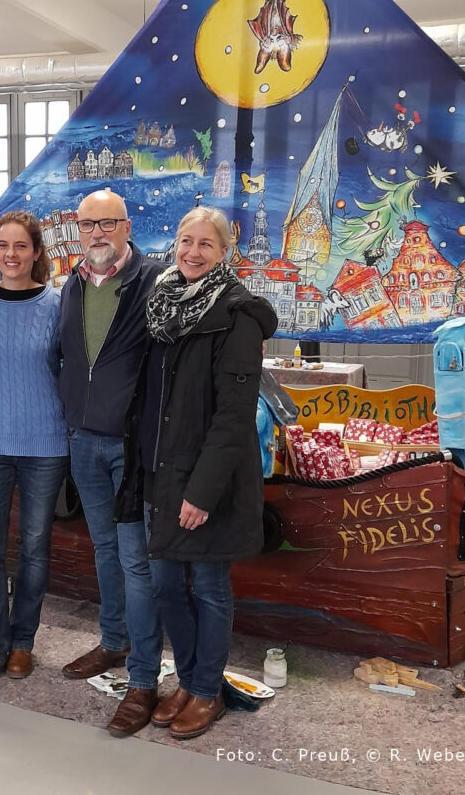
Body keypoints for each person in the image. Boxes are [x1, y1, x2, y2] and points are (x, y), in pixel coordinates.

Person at [123, 206, 277, 740]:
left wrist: (203, 492)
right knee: (166, 585)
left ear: (224, 252)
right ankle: (188, 680)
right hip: (159, 470)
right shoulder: (163, 301)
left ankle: (207, 690)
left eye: (205, 244)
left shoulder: (237, 314)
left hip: (207, 480)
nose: (192, 252)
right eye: (186, 241)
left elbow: (234, 416)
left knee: (209, 587)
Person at [59, 189, 163, 737]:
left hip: (131, 447)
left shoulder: (154, 281)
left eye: (107, 223)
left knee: (136, 561)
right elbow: (63, 355)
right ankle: (114, 641)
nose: (96, 233)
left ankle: (143, 678)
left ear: (126, 226)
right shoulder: (72, 285)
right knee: (104, 550)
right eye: (87, 225)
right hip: (83, 441)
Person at [0, 211, 68, 693]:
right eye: (3, 245)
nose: (10, 254)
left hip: (45, 442)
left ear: (36, 252)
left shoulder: (57, 303)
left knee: (34, 547)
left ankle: (23, 640)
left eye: (20, 246)